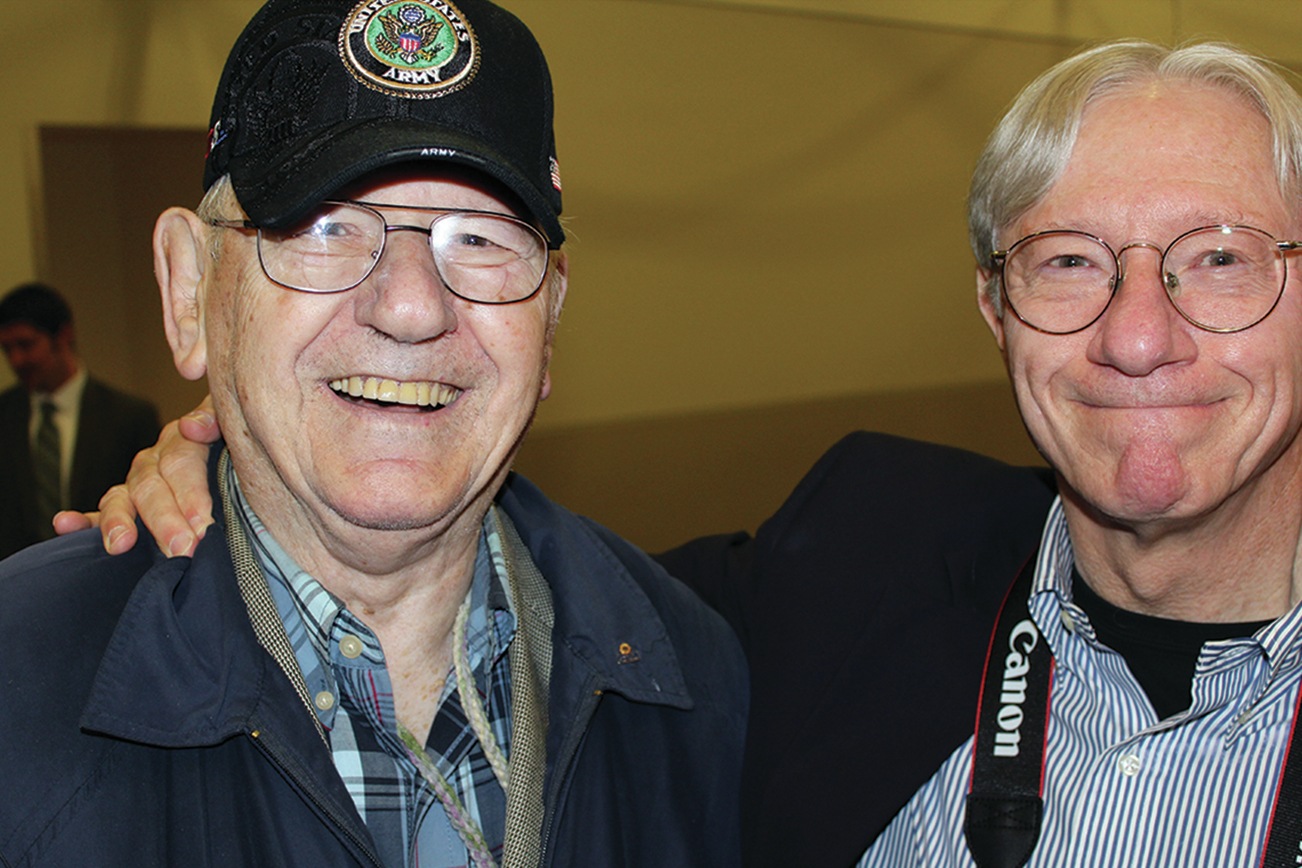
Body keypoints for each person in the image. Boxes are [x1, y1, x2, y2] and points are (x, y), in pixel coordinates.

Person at [81, 34, 1302, 868]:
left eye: (1224, 257)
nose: (1138, 335)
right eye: (1070, 262)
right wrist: (251, 464)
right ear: (997, 309)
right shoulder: (861, 560)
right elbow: (489, 582)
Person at [0, 1, 747, 866]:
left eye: (483, 238)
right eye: (327, 226)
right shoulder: (17, 698)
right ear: (190, 292)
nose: (411, 306)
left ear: (550, 313)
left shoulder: (695, 682)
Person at [0, 281, 160, 557]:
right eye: (7, 349)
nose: (16, 360)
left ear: (63, 336)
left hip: (100, 571)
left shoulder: (129, 417)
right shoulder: (5, 415)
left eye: (26, 345)